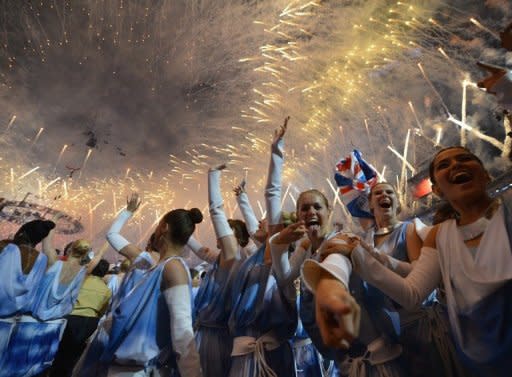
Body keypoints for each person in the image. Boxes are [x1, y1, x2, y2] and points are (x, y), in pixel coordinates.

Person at [308, 146, 512, 377]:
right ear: (437, 191)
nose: (456, 165)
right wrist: (358, 257)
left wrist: (367, 258)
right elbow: (411, 292)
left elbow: (415, 284)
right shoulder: (440, 235)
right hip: (468, 354)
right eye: (445, 165)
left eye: (465, 158)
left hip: (427, 330)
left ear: (485, 174)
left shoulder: (505, 211)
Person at [74, 193, 203, 377]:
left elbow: (183, 333)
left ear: (164, 228)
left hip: (139, 370)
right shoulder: (155, 267)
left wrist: (128, 212)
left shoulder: (169, 266)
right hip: (123, 366)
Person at [49, 259, 112, 377]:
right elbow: (103, 310)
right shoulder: (106, 290)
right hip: (91, 322)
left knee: (63, 349)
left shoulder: (82, 282)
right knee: (77, 352)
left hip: (72, 318)